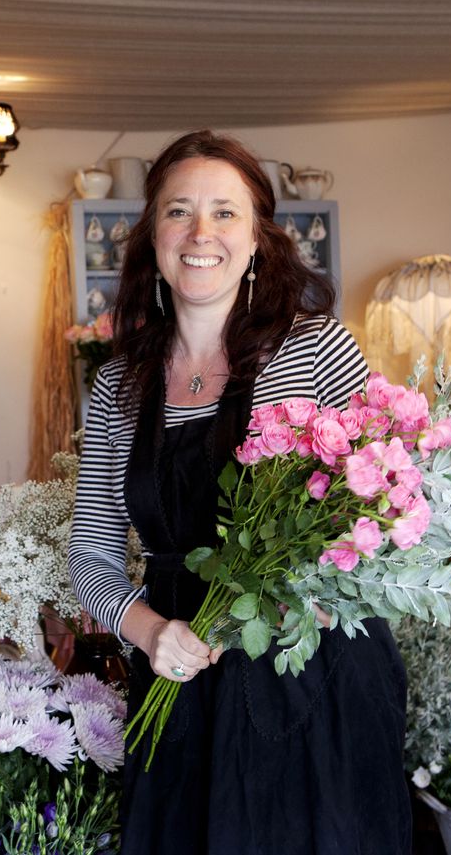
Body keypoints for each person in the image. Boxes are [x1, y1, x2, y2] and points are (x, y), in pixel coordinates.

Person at [68, 130, 411, 854]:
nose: (201, 234)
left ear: (258, 239)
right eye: (178, 211)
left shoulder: (315, 347)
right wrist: (151, 632)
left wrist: (318, 593)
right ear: (152, 235)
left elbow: (388, 503)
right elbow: (92, 557)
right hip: (180, 673)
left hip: (312, 670)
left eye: (225, 213)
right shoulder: (114, 386)